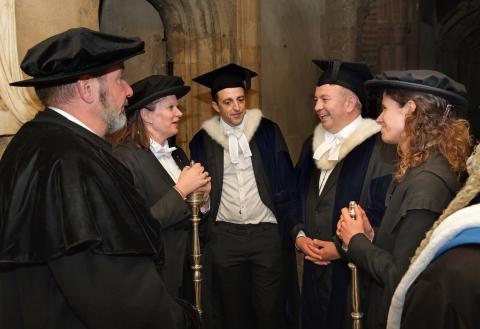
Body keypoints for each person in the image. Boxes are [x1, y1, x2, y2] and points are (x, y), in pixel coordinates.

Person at [0, 28, 200, 329]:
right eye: (120, 79)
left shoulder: (29, 143)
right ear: (87, 89)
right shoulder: (75, 162)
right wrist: (184, 320)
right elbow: (119, 294)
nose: (129, 91)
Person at [337, 69, 472, 329]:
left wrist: (355, 242)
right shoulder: (424, 165)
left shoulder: (426, 183)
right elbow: (407, 245)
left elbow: (402, 277)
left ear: (409, 110)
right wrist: (371, 236)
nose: (378, 119)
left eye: (385, 108)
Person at [189, 63, 299, 329]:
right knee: (232, 313)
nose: (236, 107)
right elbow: (199, 193)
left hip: (266, 235)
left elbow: (287, 182)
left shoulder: (267, 131)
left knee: (270, 311)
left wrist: (292, 227)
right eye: (228, 102)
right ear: (215, 106)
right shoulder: (202, 140)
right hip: (225, 237)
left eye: (240, 99)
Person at [293, 59, 396, 329]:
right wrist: (299, 235)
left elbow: (382, 210)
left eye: (324, 99)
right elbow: (295, 195)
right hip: (313, 268)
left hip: (355, 273)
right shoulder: (311, 143)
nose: (317, 107)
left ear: (350, 103)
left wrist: (340, 249)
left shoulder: (380, 146)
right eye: (315, 100)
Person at [112, 74, 211, 299]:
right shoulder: (124, 159)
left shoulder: (178, 155)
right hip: (158, 275)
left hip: (189, 268)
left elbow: (191, 216)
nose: (179, 113)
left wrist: (203, 200)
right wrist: (181, 190)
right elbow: (136, 226)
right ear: (146, 115)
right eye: (171, 107)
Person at [387, 144, 480, 329]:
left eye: (385, 112)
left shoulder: (447, 277)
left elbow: (398, 272)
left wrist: (356, 241)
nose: (379, 119)